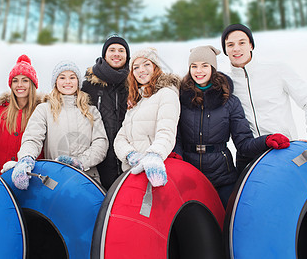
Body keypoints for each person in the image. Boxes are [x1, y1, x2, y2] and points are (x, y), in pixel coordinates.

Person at [173, 45, 290, 208]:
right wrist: (177, 158)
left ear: (213, 68)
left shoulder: (229, 101)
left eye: (204, 65)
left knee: (231, 219)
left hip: (222, 177)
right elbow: (175, 136)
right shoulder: (180, 98)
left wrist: (266, 141)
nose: (199, 71)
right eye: (194, 66)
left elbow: (243, 143)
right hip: (189, 176)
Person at [221, 24, 307, 173]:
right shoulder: (225, 83)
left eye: (242, 42)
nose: (236, 49)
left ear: (251, 45)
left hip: (283, 149)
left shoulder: (277, 70)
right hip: (249, 155)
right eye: (230, 45)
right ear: (225, 50)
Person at [10, 61, 108, 190]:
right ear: (56, 82)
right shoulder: (44, 109)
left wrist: (81, 162)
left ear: (78, 82)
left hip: (88, 178)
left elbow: (101, 142)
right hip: (56, 179)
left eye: (72, 77)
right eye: (62, 77)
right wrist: (26, 158)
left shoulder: (91, 111)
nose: (67, 81)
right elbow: (33, 138)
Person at [114, 47, 180, 187]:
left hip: (155, 170)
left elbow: (166, 131)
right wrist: (130, 155)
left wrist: (154, 155)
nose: (141, 70)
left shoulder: (166, 94)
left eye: (146, 64)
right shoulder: (136, 101)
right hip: (133, 173)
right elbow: (120, 138)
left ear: (155, 67)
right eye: (136, 67)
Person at [81, 34, 130, 190]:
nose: (117, 54)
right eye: (112, 49)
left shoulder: (136, 83)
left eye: (121, 50)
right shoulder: (89, 85)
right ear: (104, 55)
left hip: (129, 158)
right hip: (100, 162)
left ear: (127, 56)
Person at [0, 55, 44, 174]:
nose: (19, 85)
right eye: (15, 80)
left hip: (31, 176)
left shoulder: (41, 112)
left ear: (32, 84)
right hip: (0, 175)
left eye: (25, 80)